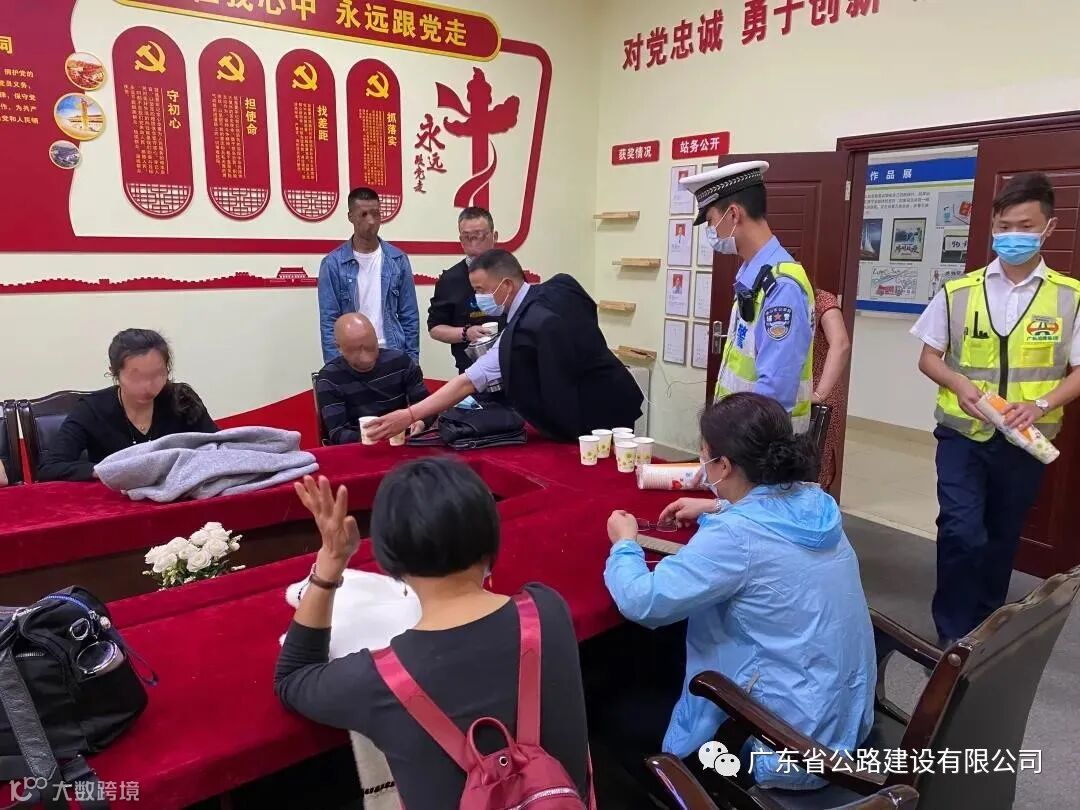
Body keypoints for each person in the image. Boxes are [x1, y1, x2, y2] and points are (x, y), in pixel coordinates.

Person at [274, 458, 591, 809]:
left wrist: (330, 563)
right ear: (492, 536)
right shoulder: (547, 611)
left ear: (388, 559)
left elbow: (292, 677)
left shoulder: (376, 682)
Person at [603, 392, 874, 794]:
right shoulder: (815, 502)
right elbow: (769, 520)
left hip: (785, 746)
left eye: (704, 455)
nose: (702, 462)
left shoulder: (735, 537)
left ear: (724, 465)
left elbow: (643, 601)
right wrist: (718, 507)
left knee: (614, 714)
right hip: (842, 719)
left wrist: (624, 543)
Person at [911, 171, 1080, 645]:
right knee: (961, 529)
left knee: (1002, 536)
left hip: (1025, 441)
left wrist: (1041, 403)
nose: (1013, 236)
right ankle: (951, 635)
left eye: (1025, 226)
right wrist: (957, 382)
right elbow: (928, 357)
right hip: (962, 435)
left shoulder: (1069, 296)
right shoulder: (959, 291)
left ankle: (984, 631)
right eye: (1004, 226)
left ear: (1049, 228)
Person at [366, 249, 643, 443]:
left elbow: (467, 382)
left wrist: (410, 414)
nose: (477, 298)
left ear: (507, 285)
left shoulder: (525, 329)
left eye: (480, 290)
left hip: (596, 417)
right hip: (618, 389)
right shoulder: (561, 285)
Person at [681, 161, 815, 431]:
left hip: (762, 442)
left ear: (733, 214)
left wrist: (737, 446)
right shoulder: (754, 274)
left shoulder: (781, 286)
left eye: (711, 221)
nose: (711, 233)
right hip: (742, 435)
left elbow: (774, 394)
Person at [36, 329, 217, 482]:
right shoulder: (92, 409)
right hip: (115, 503)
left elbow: (219, 447)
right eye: (136, 377)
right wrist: (108, 471)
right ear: (114, 373)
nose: (148, 387)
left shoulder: (182, 399)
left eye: (158, 375)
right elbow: (50, 468)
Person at [318, 187, 419, 364]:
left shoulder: (397, 259)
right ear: (350, 217)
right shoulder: (333, 264)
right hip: (351, 356)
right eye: (363, 214)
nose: (371, 221)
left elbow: (409, 316)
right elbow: (329, 321)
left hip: (392, 351)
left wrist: (412, 361)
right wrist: (335, 366)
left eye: (375, 213)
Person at [315, 313, 431, 445]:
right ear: (339, 347)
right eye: (355, 350)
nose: (365, 357)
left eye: (370, 347)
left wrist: (420, 422)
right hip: (357, 447)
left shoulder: (400, 363)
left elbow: (426, 406)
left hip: (400, 441)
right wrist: (376, 437)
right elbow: (337, 433)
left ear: (376, 338)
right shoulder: (330, 379)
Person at [428, 206, 502, 373]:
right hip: (471, 370)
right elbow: (435, 328)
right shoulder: (450, 279)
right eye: (468, 237)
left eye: (480, 236)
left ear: (494, 236)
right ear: (461, 240)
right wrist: (466, 333)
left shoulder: (509, 271)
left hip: (513, 365)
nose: (474, 243)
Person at [812, 290, 852, 487]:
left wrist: (819, 393)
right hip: (786, 394)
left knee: (814, 466)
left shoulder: (822, 300)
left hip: (818, 394)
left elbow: (841, 344)